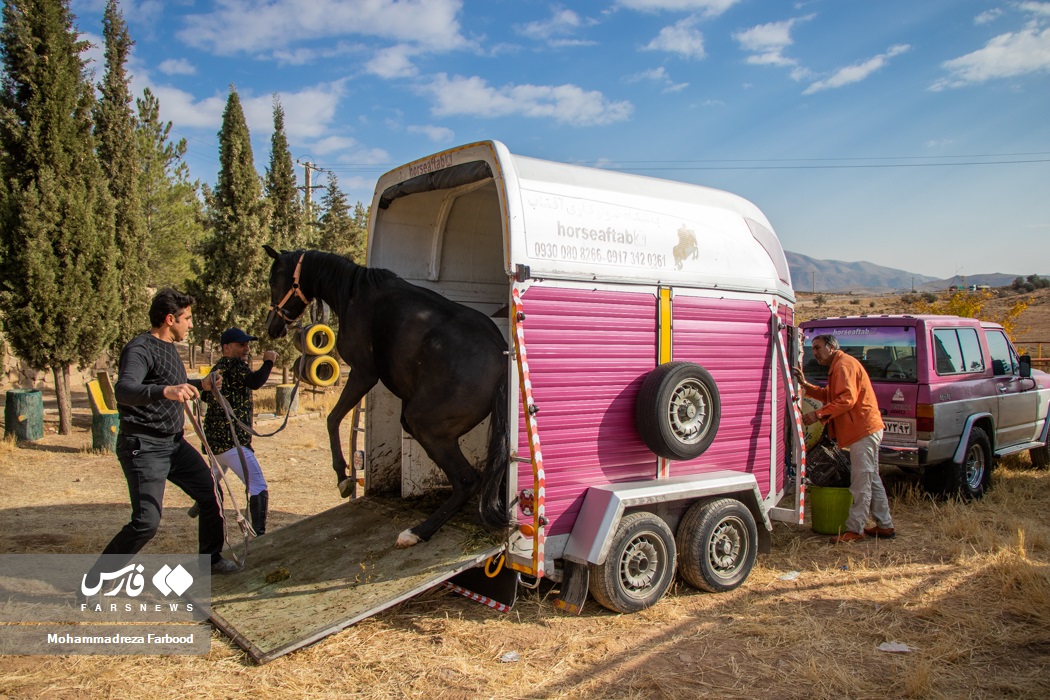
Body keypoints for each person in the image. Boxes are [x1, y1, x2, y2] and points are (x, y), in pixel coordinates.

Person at [85, 289, 239, 594]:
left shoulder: (169, 349)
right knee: (146, 522)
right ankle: (95, 582)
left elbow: (168, 384)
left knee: (212, 494)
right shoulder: (140, 348)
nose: (190, 325)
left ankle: (210, 560)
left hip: (174, 445)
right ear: (170, 319)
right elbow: (125, 389)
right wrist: (165, 392)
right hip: (143, 446)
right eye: (187, 319)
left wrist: (201, 385)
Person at [794, 334, 896, 543]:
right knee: (871, 479)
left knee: (860, 482)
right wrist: (806, 385)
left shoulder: (843, 366)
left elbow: (846, 400)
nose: (815, 353)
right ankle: (884, 525)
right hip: (865, 429)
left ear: (831, 347)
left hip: (863, 431)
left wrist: (817, 414)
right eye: (812, 349)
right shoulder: (840, 365)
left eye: (818, 348)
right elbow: (830, 395)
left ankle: (855, 530)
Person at [197, 327, 276, 536]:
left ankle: (201, 503)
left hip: (216, 440)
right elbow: (255, 382)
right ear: (226, 348)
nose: (246, 349)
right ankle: (259, 535)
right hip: (232, 441)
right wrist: (269, 361)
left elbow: (205, 397)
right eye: (241, 345)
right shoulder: (233, 365)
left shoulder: (219, 368)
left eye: (247, 344)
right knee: (258, 486)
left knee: (213, 480)